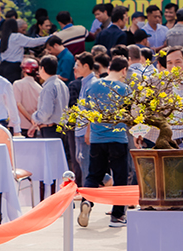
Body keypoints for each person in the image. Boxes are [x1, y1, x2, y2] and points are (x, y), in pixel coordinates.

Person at [78, 55, 130, 228]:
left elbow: (85, 111)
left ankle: (87, 202)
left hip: (97, 138)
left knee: (94, 175)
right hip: (118, 138)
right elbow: (132, 115)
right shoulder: (124, 88)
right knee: (120, 177)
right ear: (124, 70)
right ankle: (117, 216)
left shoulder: (91, 86)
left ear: (109, 69)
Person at [29, 55, 70, 139]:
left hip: (50, 129)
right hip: (62, 128)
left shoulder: (48, 87)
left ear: (42, 69)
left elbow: (46, 112)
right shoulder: (62, 84)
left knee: (50, 152)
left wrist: (35, 117)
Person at [0, 17, 49, 82]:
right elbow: (34, 42)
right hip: (14, 68)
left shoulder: (0, 40)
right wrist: (50, 37)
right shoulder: (17, 37)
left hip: (2, 67)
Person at [71, 52, 96, 185]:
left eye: (78, 65)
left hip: (85, 131)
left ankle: (88, 198)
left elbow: (92, 111)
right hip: (80, 130)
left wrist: (88, 131)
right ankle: (106, 180)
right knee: (82, 161)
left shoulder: (91, 84)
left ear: (86, 66)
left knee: (86, 164)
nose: (75, 68)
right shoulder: (85, 82)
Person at [14, 58, 43, 136]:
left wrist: (31, 119)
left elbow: (18, 104)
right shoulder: (40, 88)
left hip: (19, 126)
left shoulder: (17, 84)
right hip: (34, 127)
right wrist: (34, 123)